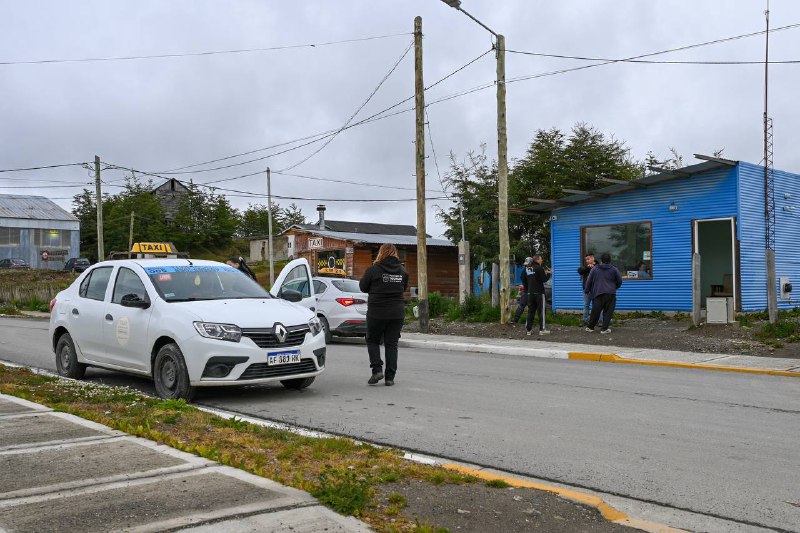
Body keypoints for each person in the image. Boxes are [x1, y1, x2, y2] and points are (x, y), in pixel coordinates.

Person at [359, 243, 409, 386]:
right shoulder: (402, 271)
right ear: (395, 253)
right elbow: (403, 288)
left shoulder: (373, 270)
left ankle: (377, 370)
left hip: (377, 312)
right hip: (397, 313)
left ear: (381, 253)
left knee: (373, 340)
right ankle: (390, 378)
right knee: (392, 344)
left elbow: (363, 287)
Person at [584, 252, 623, 334]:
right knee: (608, 312)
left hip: (598, 293)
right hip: (611, 294)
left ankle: (590, 327)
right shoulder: (614, 269)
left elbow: (589, 281)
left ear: (601, 260)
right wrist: (615, 287)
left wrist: (587, 290)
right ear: (610, 260)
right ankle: (604, 329)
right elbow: (620, 281)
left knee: (595, 311)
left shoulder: (595, 269)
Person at [524, 255, 551, 336]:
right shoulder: (539, 268)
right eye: (541, 259)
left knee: (530, 311)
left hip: (530, 293)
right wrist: (549, 273)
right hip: (539, 293)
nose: (542, 260)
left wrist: (527, 289)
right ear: (538, 260)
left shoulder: (527, 269)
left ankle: (528, 330)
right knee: (541, 311)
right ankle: (542, 330)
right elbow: (544, 279)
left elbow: (524, 279)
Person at [577, 254, 602, 325]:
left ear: (592, 258)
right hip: (587, 291)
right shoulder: (585, 267)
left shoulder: (599, 266)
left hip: (596, 290)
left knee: (597, 306)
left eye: (588, 259)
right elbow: (579, 271)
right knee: (586, 305)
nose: (587, 261)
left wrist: (594, 268)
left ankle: (599, 321)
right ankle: (585, 320)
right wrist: (587, 268)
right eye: (586, 260)